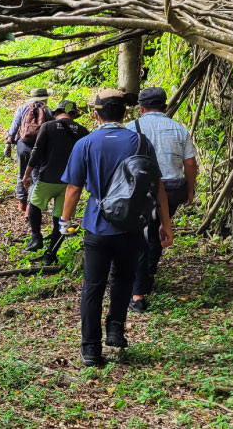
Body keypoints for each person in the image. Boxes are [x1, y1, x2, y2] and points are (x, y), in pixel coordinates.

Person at [59, 89, 174, 367]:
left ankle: (90, 350)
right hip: (131, 226)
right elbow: (156, 185)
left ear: (96, 115)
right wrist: (165, 223)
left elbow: (74, 188)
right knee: (123, 278)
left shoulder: (85, 144)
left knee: (93, 286)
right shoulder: (140, 142)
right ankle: (116, 329)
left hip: (97, 225)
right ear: (125, 114)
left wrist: (65, 221)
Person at [127, 87, 198, 313]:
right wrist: (190, 190)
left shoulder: (131, 128)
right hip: (173, 187)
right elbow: (190, 164)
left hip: (142, 188)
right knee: (158, 229)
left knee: (141, 233)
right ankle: (148, 271)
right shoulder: (179, 128)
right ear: (165, 107)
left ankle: (138, 292)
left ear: (140, 108)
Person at [22, 100, 89, 264]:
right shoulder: (83, 131)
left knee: (35, 205)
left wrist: (26, 174)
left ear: (57, 112)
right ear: (73, 114)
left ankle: (36, 236)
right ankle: (51, 254)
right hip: (70, 183)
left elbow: (36, 153)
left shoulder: (48, 127)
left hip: (47, 178)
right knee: (61, 218)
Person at [5, 88, 53, 211]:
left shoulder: (22, 109)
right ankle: (31, 207)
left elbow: (14, 128)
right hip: (40, 148)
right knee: (36, 176)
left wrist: (8, 143)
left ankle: (22, 202)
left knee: (22, 173)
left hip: (22, 146)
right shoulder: (48, 111)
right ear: (45, 99)